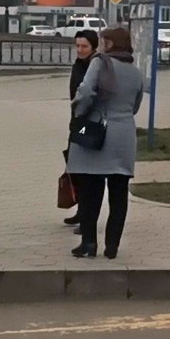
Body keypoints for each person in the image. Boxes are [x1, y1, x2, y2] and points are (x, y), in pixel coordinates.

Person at [66, 26, 146, 260]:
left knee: (90, 190)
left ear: (109, 44)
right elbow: (136, 104)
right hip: (124, 134)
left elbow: (86, 92)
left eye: (102, 41)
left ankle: (89, 243)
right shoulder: (135, 70)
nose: (99, 46)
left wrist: (79, 112)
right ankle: (112, 246)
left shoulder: (99, 63)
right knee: (119, 193)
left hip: (97, 133)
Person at [62, 29, 101, 228]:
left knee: (87, 172)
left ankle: (87, 217)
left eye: (84, 46)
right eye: (77, 46)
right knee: (74, 166)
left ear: (93, 47)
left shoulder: (96, 66)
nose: (79, 50)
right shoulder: (78, 64)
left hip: (90, 124)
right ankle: (80, 210)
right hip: (77, 122)